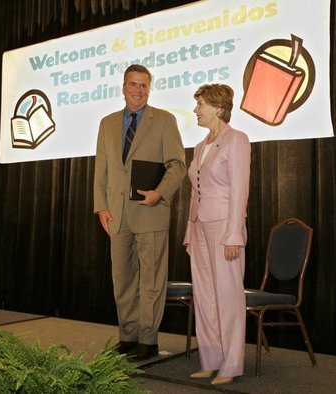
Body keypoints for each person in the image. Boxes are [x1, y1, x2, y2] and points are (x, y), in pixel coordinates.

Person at [94, 64, 186, 360]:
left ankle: (148, 340)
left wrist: (160, 192)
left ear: (150, 88)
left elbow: (177, 165)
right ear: (123, 87)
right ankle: (128, 336)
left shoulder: (164, 120)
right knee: (122, 280)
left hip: (151, 213)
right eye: (133, 84)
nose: (138, 90)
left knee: (151, 281)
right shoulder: (107, 123)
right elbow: (102, 170)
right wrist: (101, 208)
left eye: (143, 86)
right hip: (116, 216)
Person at [183, 84, 251, 385]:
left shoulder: (236, 139)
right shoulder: (199, 147)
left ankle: (231, 364)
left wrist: (234, 234)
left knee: (228, 297)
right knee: (205, 296)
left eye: (200, 104)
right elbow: (194, 193)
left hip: (224, 227)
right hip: (199, 227)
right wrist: (189, 230)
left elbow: (240, 189)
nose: (196, 110)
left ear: (218, 108)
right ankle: (210, 360)